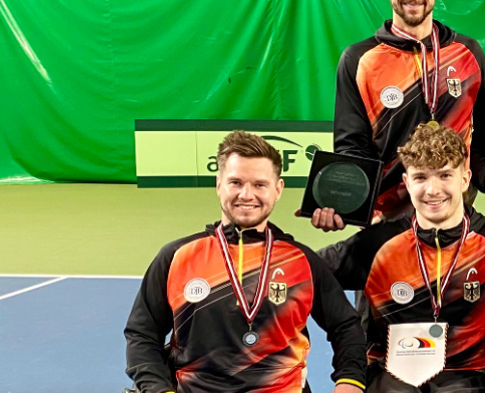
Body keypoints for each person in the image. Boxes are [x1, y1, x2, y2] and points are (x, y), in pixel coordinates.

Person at [324, 123, 485, 392]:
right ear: (407, 182)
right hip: (389, 380)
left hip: (470, 379)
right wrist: (349, 373)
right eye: (421, 178)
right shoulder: (379, 243)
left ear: (465, 179)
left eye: (444, 175)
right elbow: (301, 272)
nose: (433, 190)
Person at [124, 130, 366, 393]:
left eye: (259, 185)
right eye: (236, 183)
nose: (247, 195)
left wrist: (349, 382)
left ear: (278, 189)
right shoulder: (176, 257)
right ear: (219, 184)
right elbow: (142, 336)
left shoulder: (301, 261)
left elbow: (346, 327)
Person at [321, 0, 485, 228]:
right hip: (387, 221)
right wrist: (346, 203)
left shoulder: (468, 53)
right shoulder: (358, 59)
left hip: (456, 215)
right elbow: (351, 148)